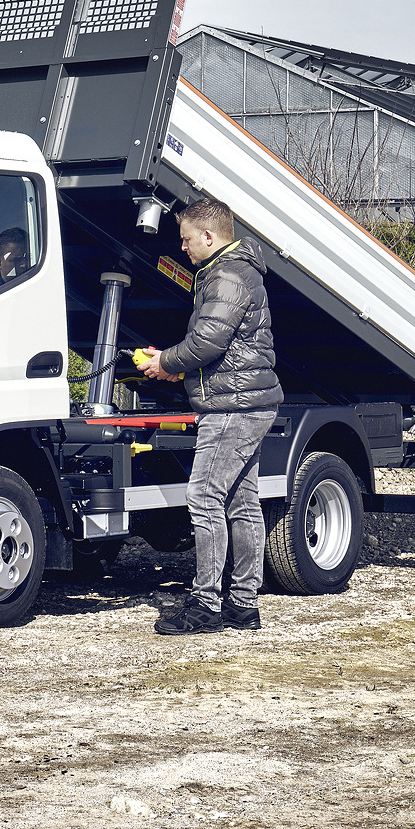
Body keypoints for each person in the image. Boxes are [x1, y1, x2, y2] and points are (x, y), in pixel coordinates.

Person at [138, 199, 283, 635]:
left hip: (233, 405)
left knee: (203, 497)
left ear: (208, 236)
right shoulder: (231, 272)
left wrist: (166, 361)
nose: (181, 247)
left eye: (185, 239)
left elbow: (206, 342)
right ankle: (242, 604)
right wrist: (170, 363)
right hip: (244, 400)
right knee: (241, 500)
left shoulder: (227, 275)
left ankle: (206, 604)